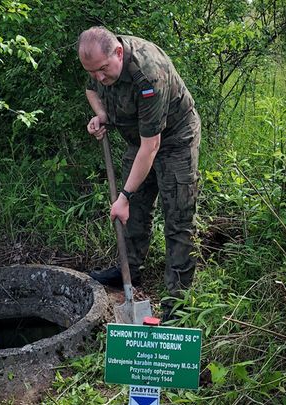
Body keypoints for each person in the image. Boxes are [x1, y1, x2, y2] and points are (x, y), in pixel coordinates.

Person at [77, 27, 201, 315]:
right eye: (93, 71)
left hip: (174, 139)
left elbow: (152, 146)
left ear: (118, 53)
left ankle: (177, 299)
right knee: (135, 209)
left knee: (178, 217)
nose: (99, 77)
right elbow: (91, 90)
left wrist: (123, 195)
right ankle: (129, 270)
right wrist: (102, 115)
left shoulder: (148, 74)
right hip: (139, 138)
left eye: (103, 70)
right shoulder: (99, 62)